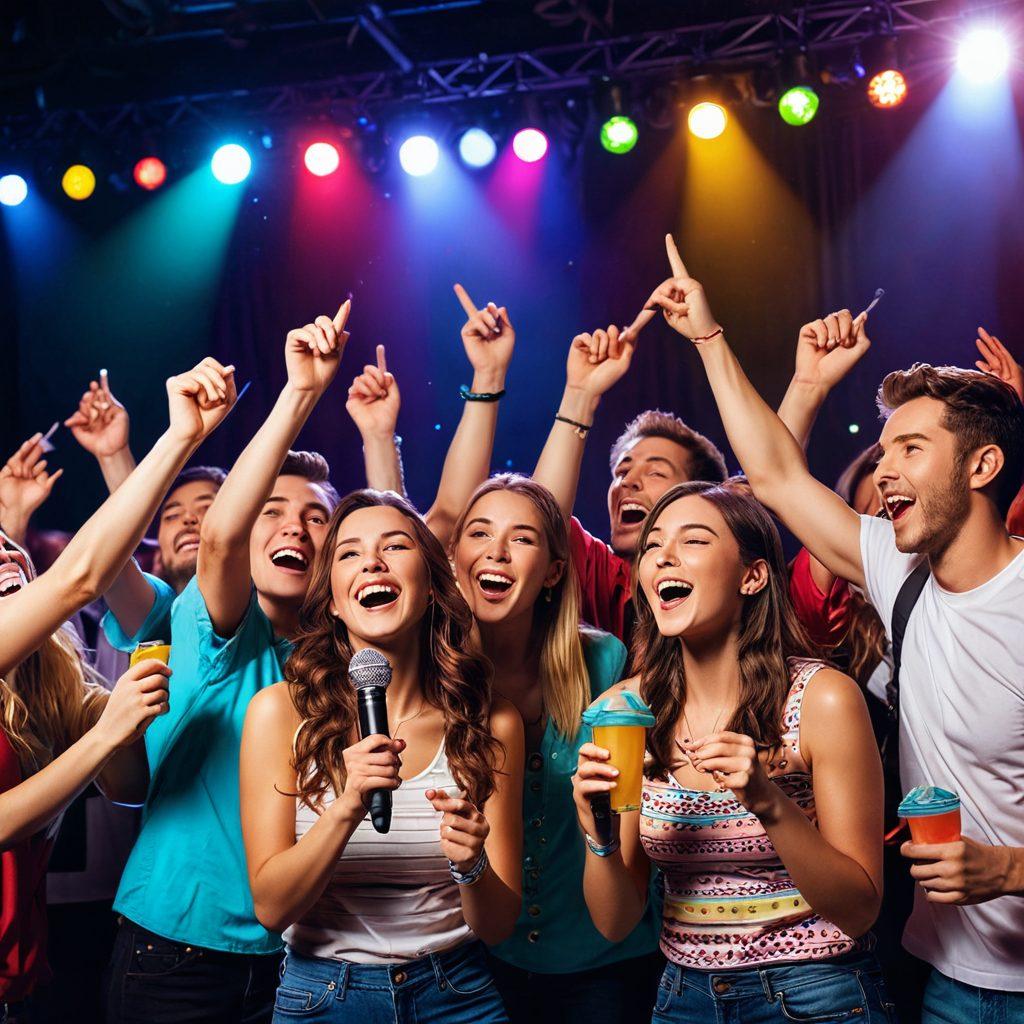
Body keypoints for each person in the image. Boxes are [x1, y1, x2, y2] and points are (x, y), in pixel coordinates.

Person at [654, 235, 1024, 1023]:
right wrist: (709, 340)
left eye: (912, 449)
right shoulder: (899, 569)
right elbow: (778, 477)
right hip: (947, 978)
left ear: (983, 467)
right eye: (884, 450)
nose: (884, 470)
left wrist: (1010, 870)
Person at [102, 302, 350, 1024]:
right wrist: (300, 391)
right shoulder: (206, 625)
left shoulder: (343, 665)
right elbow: (216, 540)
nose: (296, 528)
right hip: (177, 954)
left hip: (301, 960)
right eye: (273, 511)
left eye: (316, 517)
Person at [573, 481, 893, 1023]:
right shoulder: (625, 712)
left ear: (753, 575)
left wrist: (767, 801)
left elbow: (860, 909)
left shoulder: (822, 699)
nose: (663, 556)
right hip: (683, 997)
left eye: (693, 541)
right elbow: (616, 922)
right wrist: (598, 832)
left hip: (815, 994)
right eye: (653, 545)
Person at [0, 359, 236, 1023]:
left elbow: (127, 785)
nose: (8, 560)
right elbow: (82, 576)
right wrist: (177, 437)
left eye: (14, 559)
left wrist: (123, 726)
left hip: (22, 977)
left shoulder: (58, 687)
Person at [240, 489, 523, 1024]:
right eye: (349, 553)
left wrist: (471, 865)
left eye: (394, 547)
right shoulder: (278, 714)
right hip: (324, 996)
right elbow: (272, 909)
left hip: (457, 993)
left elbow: (499, 925)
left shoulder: (492, 721)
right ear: (333, 601)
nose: (371, 561)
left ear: (432, 586)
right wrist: (347, 804)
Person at [448, 474, 661, 1023]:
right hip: (479, 962)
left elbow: (629, 818)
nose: (496, 551)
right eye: (479, 533)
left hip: (606, 962)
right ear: (453, 558)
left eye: (521, 538)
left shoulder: (606, 662)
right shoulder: (434, 678)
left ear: (554, 570)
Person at [533, 322, 727, 642]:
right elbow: (539, 523)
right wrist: (579, 397)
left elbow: (777, 479)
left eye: (656, 473)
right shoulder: (604, 578)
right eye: (621, 472)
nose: (628, 482)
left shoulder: (733, 594)